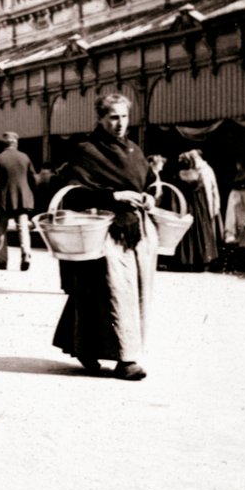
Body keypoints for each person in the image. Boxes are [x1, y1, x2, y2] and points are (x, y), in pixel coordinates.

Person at [51, 93, 157, 381]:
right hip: (102, 230)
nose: (120, 123)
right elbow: (72, 192)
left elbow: (146, 182)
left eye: (124, 117)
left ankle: (82, 345)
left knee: (112, 293)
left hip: (135, 230)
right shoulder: (85, 150)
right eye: (113, 117)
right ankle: (127, 360)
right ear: (100, 118)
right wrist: (112, 195)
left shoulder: (134, 150)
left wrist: (148, 197)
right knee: (116, 292)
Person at [0, 132, 37, 271]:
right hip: (22, 199)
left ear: (4, 144)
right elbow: (33, 179)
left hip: (3, 201)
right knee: (23, 229)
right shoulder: (25, 157)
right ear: (16, 143)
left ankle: (2, 261)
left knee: (1, 230)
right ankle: (26, 255)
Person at [172, 149, 222, 271]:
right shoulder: (198, 174)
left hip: (185, 206)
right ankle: (203, 260)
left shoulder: (178, 175)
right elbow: (207, 191)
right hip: (199, 207)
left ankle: (186, 261)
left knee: (188, 233)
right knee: (201, 232)